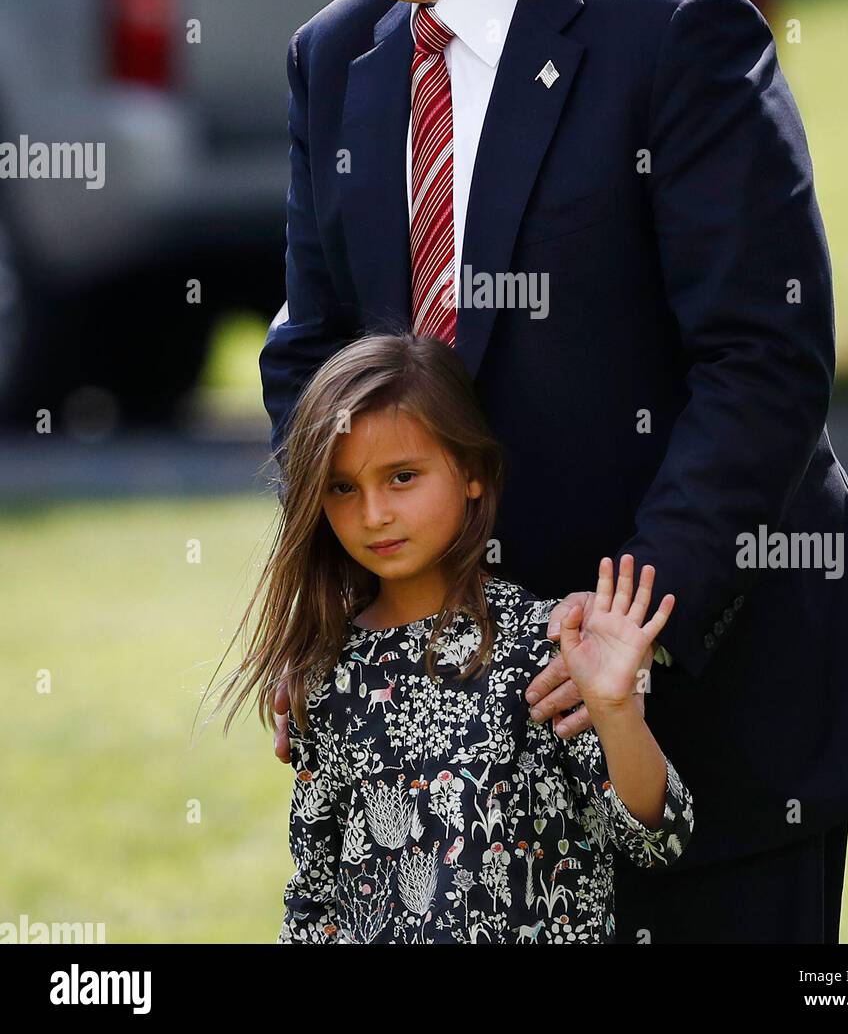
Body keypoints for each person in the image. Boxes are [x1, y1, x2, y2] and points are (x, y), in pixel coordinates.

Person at [258, 0, 848, 943]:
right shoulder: (331, 57)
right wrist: (327, 601)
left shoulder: (674, 31)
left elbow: (761, 363)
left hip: (715, 715)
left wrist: (628, 633)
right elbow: (316, 360)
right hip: (452, 764)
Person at [213, 332, 694, 943]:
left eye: (403, 476)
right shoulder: (323, 673)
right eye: (342, 487)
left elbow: (660, 839)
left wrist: (617, 709)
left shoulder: (548, 646)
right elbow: (314, 897)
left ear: (471, 471)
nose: (373, 514)